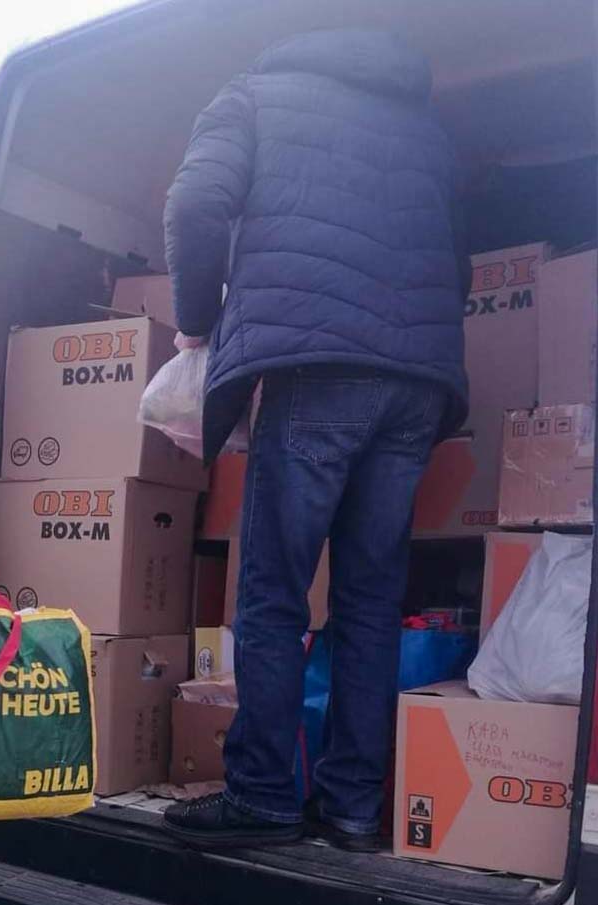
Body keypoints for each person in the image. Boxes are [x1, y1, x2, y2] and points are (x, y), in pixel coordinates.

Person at [161, 30, 470, 853]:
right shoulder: (427, 132)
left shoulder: (253, 95)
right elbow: (458, 264)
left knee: (272, 595)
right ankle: (349, 807)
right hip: (416, 384)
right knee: (369, 600)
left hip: (315, 369)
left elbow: (194, 204)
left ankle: (262, 795)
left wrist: (195, 326)